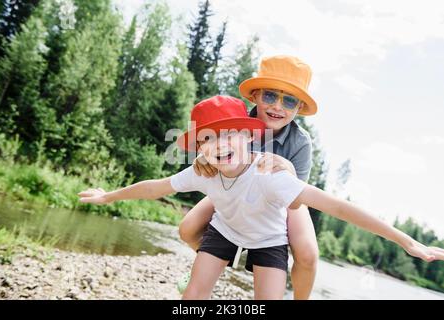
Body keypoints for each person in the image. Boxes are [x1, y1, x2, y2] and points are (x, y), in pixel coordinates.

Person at [78, 95, 444, 300]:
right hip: (224, 231)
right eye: (206, 139)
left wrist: (405, 240)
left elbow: (337, 206)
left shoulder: (272, 177)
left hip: (269, 240)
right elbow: (154, 186)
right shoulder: (202, 171)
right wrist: (109, 196)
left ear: (249, 137)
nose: (218, 145)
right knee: (192, 297)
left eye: (228, 135)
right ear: (199, 149)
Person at [179, 55, 319, 299]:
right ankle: (212, 264)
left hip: (282, 202)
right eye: (269, 96)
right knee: (188, 228)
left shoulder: (300, 142)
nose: (277, 106)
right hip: (233, 187)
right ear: (255, 95)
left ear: (298, 108)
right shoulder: (235, 117)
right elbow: (209, 140)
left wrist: (289, 170)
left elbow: (296, 200)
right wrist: (204, 158)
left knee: (307, 254)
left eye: (289, 101)